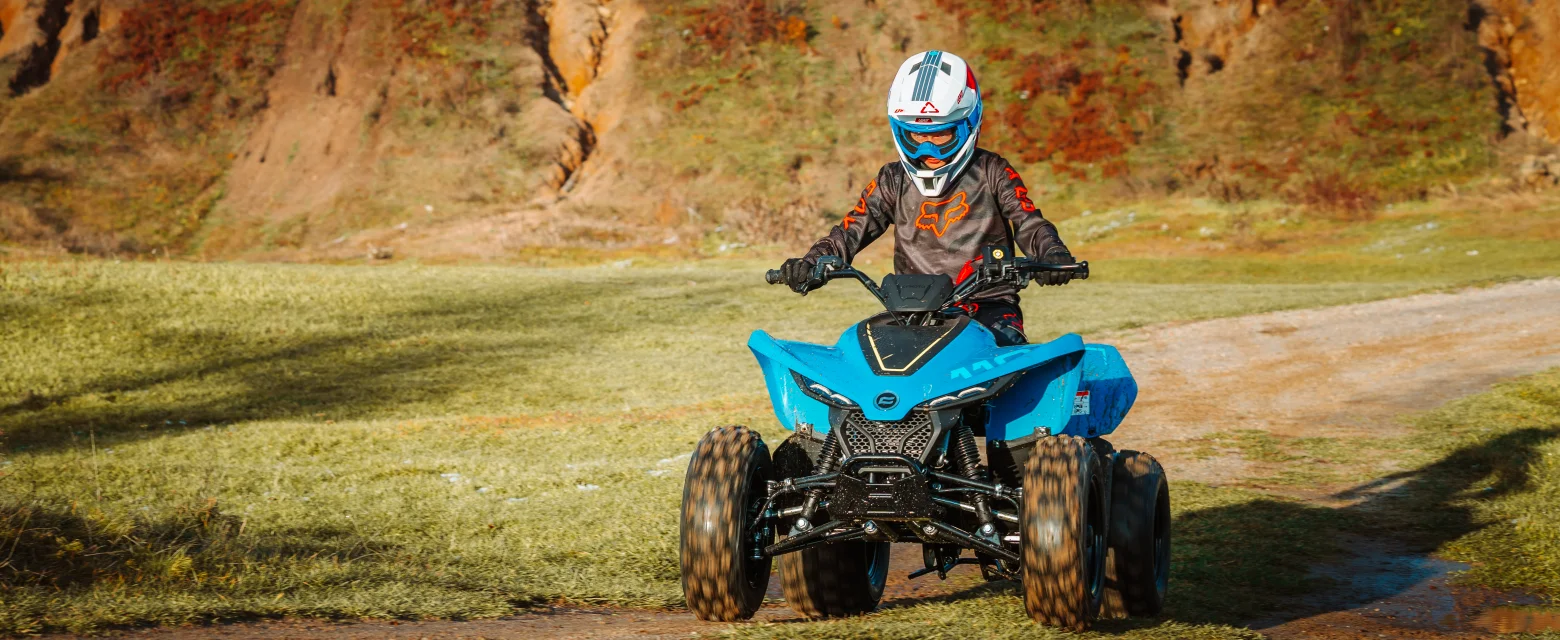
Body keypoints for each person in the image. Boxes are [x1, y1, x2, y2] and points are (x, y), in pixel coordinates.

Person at [776, 50, 1075, 346]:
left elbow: (1028, 222)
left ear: (969, 124)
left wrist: (1051, 253)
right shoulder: (892, 179)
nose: (927, 149)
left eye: (941, 134)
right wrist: (810, 263)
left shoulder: (992, 171)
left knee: (1005, 353)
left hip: (988, 306)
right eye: (917, 136)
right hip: (912, 309)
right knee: (867, 353)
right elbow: (849, 232)